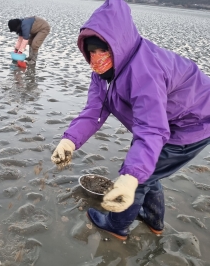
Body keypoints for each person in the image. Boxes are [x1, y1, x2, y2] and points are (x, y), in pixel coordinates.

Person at [51, 0, 210, 240]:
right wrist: (69, 141)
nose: (96, 58)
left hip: (194, 122)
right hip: (166, 121)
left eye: (102, 51)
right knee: (149, 170)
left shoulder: (145, 70)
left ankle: (117, 226)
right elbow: (94, 110)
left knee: (139, 176)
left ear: (117, 45)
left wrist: (130, 176)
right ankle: (153, 219)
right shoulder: (102, 73)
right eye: (91, 52)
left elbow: (151, 128)